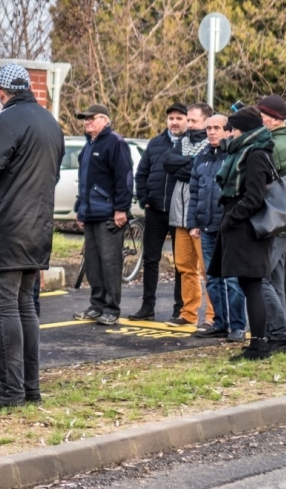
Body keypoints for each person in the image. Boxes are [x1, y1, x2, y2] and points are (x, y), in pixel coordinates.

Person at [0, 64, 64, 409]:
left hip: (5, 228)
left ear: (0, 91)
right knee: (25, 306)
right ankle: (29, 387)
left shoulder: (3, 122)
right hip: (36, 226)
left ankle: (10, 390)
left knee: (4, 307)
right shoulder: (50, 123)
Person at [212, 107, 278, 362]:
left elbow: (254, 198)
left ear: (246, 130)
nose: (230, 133)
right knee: (249, 285)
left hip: (248, 229)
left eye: (234, 129)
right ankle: (258, 343)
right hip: (243, 227)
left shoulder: (255, 154)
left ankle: (258, 346)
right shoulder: (247, 151)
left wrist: (231, 218)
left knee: (252, 286)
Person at [71, 104, 133, 326]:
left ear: (105, 120)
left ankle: (111, 308)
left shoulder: (115, 142)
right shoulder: (89, 145)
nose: (87, 121)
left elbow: (125, 177)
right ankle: (96, 305)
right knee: (93, 263)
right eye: (85, 118)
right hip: (90, 213)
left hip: (108, 213)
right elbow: (84, 183)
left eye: (92, 118)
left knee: (110, 262)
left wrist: (121, 208)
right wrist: (80, 210)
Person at [188, 113, 247, 342]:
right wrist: (193, 222)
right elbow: (195, 193)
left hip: (229, 227)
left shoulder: (234, 155)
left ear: (228, 131)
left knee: (232, 279)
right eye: (209, 128)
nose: (211, 132)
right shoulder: (202, 157)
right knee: (212, 278)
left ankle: (238, 326)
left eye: (216, 128)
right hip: (207, 227)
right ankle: (220, 323)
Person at [130, 103, 189, 321]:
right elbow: (141, 173)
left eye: (179, 118)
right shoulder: (155, 143)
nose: (174, 122)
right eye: (171, 118)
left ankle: (180, 308)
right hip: (155, 210)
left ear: (187, 120)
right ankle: (147, 306)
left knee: (181, 262)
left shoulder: (191, 144)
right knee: (150, 259)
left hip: (179, 212)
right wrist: (144, 198)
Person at [256, 94, 286, 354]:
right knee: (274, 280)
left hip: (274, 221)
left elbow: (263, 182)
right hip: (282, 221)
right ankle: (278, 334)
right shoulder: (283, 141)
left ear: (273, 119)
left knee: (261, 279)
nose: (258, 120)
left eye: (261, 115)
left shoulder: (275, 145)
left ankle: (282, 334)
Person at [164, 103, 215, 328]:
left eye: (194, 121)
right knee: (184, 266)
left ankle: (213, 316)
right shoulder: (181, 142)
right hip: (179, 214)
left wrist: (186, 165)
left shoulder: (211, 145)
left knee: (207, 269)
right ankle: (188, 313)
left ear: (206, 121)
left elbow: (200, 170)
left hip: (200, 217)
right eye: (189, 120)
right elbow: (168, 163)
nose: (190, 124)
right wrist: (191, 162)